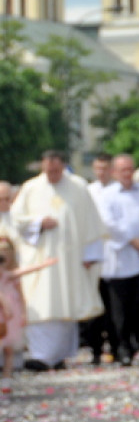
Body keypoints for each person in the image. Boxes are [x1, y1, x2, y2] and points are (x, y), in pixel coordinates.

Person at [11, 149, 105, 371]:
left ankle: (60, 355)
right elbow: (16, 221)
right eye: (47, 168)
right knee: (41, 304)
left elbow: (91, 223)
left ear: (63, 166)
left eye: (55, 169)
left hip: (70, 260)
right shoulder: (31, 188)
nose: (52, 173)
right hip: (40, 259)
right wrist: (38, 223)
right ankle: (40, 355)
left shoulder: (79, 187)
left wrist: (90, 255)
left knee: (66, 305)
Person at [97, 156, 139, 366]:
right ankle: (123, 347)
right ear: (114, 172)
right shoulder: (107, 195)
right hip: (121, 258)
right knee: (120, 309)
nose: (127, 174)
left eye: (129, 170)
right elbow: (108, 222)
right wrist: (131, 239)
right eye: (122, 170)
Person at [0, 236, 56, 395]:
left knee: (9, 349)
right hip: (3, 314)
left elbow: (25, 276)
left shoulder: (9, 276)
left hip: (11, 316)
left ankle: (6, 380)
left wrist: (24, 313)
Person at [83, 153, 116, 365]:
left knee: (113, 307)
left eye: (105, 168)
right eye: (98, 168)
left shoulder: (118, 189)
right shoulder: (88, 191)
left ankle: (115, 346)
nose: (101, 173)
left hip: (115, 256)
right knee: (94, 306)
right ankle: (95, 349)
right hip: (94, 256)